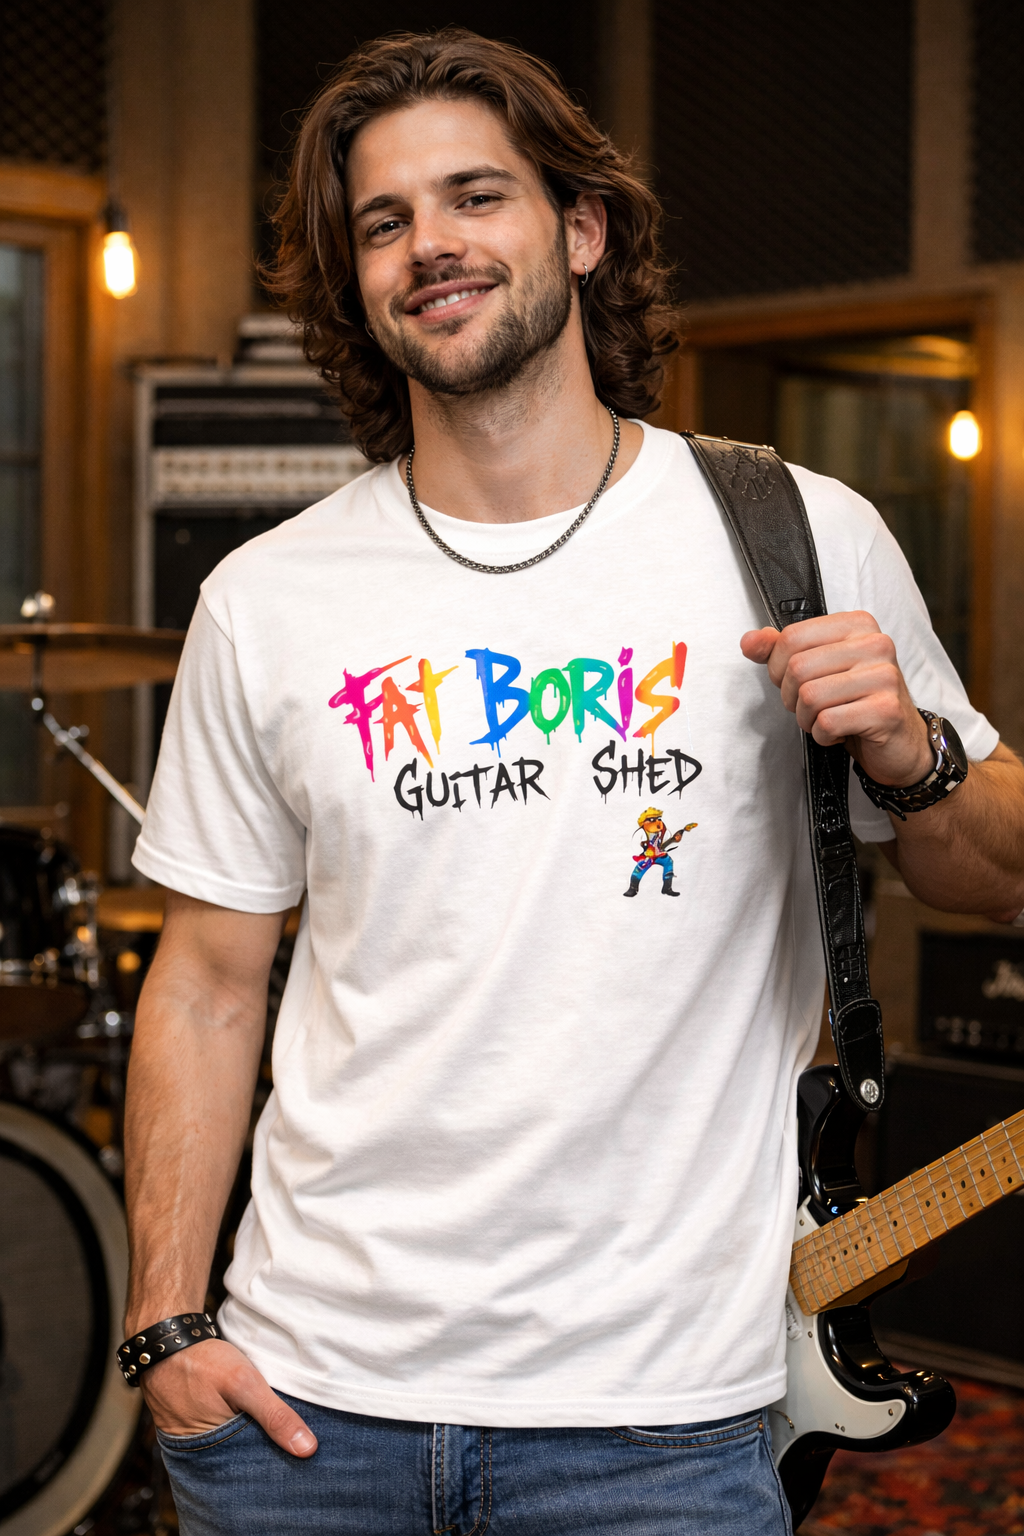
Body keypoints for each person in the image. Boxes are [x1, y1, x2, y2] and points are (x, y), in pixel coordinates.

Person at [123, 29, 1024, 1536]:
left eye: (476, 195)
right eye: (385, 221)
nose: (432, 246)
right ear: (352, 279)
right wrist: (165, 1325)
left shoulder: (797, 533)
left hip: (664, 1427)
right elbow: (209, 982)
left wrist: (914, 752)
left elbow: (989, 871)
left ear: (582, 228)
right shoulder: (268, 600)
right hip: (308, 1412)